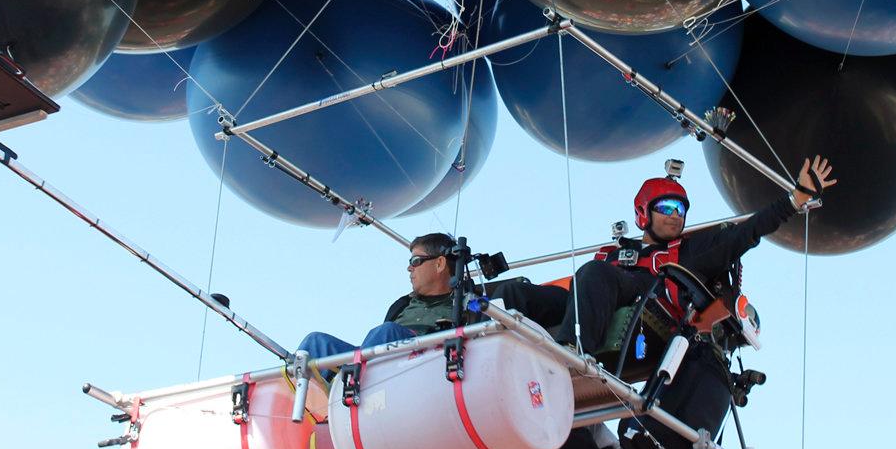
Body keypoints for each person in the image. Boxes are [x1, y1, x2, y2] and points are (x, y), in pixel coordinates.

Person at [551, 155, 838, 351]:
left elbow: (745, 233)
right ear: (643, 213)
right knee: (520, 293)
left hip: (648, 300)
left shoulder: (692, 251)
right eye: (666, 208)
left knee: (594, 273)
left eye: (681, 209)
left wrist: (795, 199)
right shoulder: (615, 255)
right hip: (592, 301)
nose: (676, 216)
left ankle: (572, 352)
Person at [296, 232, 566, 367]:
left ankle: (344, 388)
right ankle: (317, 407)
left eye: (416, 261)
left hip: (425, 364)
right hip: (380, 365)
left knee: (387, 332)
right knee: (314, 343)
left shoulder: (471, 301)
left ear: (439, 264)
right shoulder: (401, 304)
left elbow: (558, 299)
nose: (409, 268)